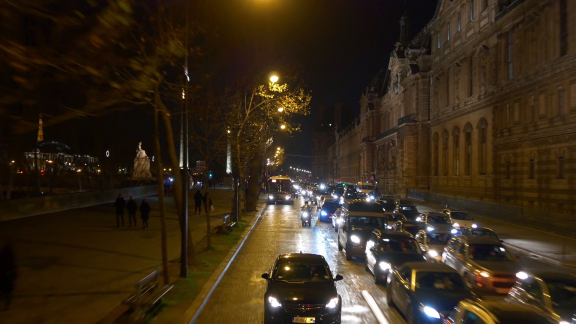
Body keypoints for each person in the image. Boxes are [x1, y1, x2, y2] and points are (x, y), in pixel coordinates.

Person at [0, 241, 16, 310]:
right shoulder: (10, 258)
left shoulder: (3, 257)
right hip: (7, 278)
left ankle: (6, 305)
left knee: (4, 291)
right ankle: (7, 305)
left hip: (3, 277)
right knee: (8, 292)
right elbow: (13, 268)